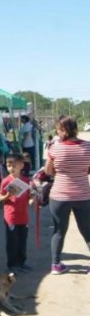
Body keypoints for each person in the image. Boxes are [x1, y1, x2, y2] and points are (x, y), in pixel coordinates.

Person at [44, 116, 90, 275]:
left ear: (64, 130)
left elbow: (47, 171)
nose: (56, 131)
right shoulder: (88, 147)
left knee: (58, 230)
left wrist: (61, 171)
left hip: (59, 196)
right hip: (83, 195)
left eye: (58, 128)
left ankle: (56, 264)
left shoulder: (55, 148)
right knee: (87, 230)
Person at [0, 153, 33, 274]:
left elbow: (30, 196)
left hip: (23, 217)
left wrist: (32, 200)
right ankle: (12, 264)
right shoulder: (5, 181)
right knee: (12, 241)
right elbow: (0, 199)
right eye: (8, 165)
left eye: (14, 165)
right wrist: (8, 195)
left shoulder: (26, 181)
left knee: (22, 240)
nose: (11, 168)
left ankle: (22, 262)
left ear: (21, 165)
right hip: (11, 217)